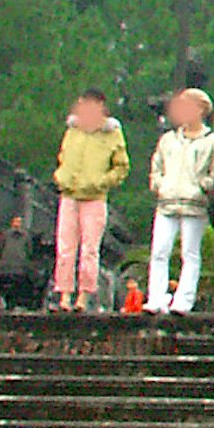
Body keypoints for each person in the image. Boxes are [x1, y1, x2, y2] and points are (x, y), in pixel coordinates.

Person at [144, 88, 214, 315]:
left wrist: (203, 188)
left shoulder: (213, 141)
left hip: (194, 205)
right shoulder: (168, 139)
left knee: (190, 253)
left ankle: (183, 301)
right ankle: (156, 299)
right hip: (166, 202)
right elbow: (157, 165)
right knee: (159, 251)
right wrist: (159, 185)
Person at [49, 90, 128, 313]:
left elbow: (121, 166)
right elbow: (63, 156)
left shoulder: (111, 133)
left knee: (89, 249)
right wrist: (62, 176)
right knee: (65, 246)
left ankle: (83, 296)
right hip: (69, 194)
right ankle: (64, 294)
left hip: (94, 197)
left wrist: (102, 182)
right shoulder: (73, 130)